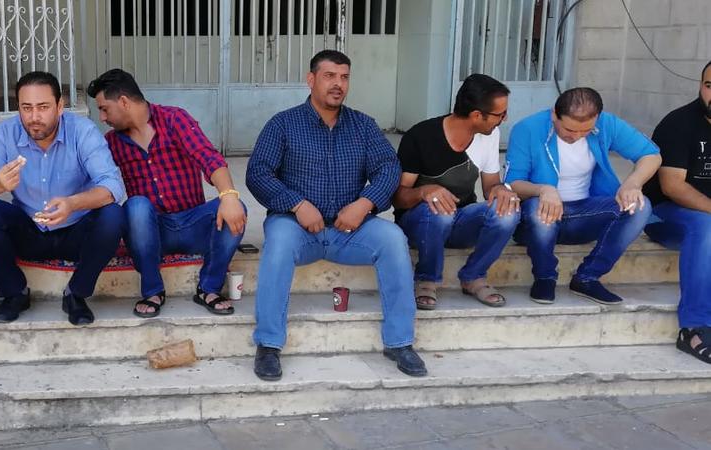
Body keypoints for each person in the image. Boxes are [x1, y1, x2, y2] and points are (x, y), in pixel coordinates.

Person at [246, 50, 425, 380]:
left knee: (392, 238)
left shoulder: (363, 126)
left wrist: (364, 204)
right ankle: (269, 344)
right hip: (297, 227)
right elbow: (258, 173)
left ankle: (400, 342)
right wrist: (297, 204)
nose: (338, 84)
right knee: (279, 241)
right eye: (329, 76)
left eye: (344, 77)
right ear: (311, 79)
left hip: (349, 230)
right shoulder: (283, 124)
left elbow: (389, 168)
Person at [0, 71, 126, 326]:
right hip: (29, 232)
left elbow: (112, 185)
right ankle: (14, 292)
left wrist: (72, 203)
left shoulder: (82, 131)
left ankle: (76, 294)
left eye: (43, 107)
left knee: (113, 214)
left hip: (76, 231)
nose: (34, 117)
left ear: (60, 106)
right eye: (26, 108)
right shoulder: (6, 133)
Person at [87, 68, 246, 318]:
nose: (102, 117)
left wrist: (228, 195)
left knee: (236, 206)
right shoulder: (112, 142)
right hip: (152, 233)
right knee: (136, 206)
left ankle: (209, 288)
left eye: (104, 109)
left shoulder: (174, 119)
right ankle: (153, 291)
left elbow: (209, 158)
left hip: (193, 224)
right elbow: (96, 180)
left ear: (124, 102)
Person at [504, 87, 661, 304]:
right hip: (536, 222)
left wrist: (632, 184)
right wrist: (544, 190)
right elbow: (512, 183)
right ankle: (544, 277)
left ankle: (587, 277)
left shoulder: (606, 124)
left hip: (584, 215)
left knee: (640, 206)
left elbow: (651, 155)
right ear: (554, 114)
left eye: (586, 131)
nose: (576, 136)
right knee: (536, 206)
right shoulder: (528, 128)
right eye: (569, 129)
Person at [392, 74, 520, 309]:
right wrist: (423, 192)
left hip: (461, 221)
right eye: (500, 115)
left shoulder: (490, 135)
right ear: (476, 115)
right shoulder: (420, 136)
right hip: (420, 224)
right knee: (440, 211)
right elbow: (398, 198)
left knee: (508, 210)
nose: (504, 119)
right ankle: (427, 279)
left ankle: (474, 276)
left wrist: (501, 191)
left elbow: (490, 186)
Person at [643, 61, 711, 364]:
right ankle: (694, 327)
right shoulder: (679, 123)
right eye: (709, 86)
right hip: (664, 213)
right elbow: (672, 186)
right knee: (706, 226)